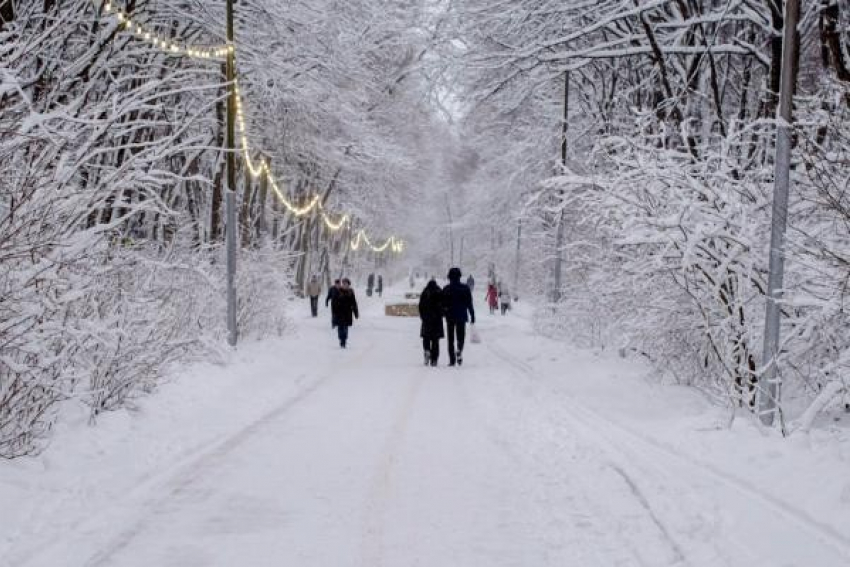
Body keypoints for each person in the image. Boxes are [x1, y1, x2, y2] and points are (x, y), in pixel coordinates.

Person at [442, 267, 475, 367]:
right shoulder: (465, 288)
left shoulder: (446, 289)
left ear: (449, 277)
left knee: (450, 338)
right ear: (460, 277)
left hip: (450, 316)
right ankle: (459, 350)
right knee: (461, 337)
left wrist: (444, 312)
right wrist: (472, 315)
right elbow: (469, 304)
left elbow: (442, 304)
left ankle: (452, 360)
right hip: (461, 316)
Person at [418, 279, 444, 366]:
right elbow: (443, 305)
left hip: (427, 319)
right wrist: (441, 315)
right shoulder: (439, 291)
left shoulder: (425, 292)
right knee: (435, 340)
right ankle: (434, 359)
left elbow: (420, 306)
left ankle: (427, 350)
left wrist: (423, 317)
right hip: (437, 320)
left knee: (426, 337)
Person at [331, 278, 359, 348]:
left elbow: (354, 303)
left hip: (348, 313)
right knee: (340, 328)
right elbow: (334, 302)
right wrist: (334, 312)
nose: (344, 285)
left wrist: (356, 312)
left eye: (346, 284)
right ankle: (341, 339)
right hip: (339, 313)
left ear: (348, 285)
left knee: (345, 328)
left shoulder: (351, 292)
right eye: (343, 284)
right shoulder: (338, 291)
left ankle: (344, 340)